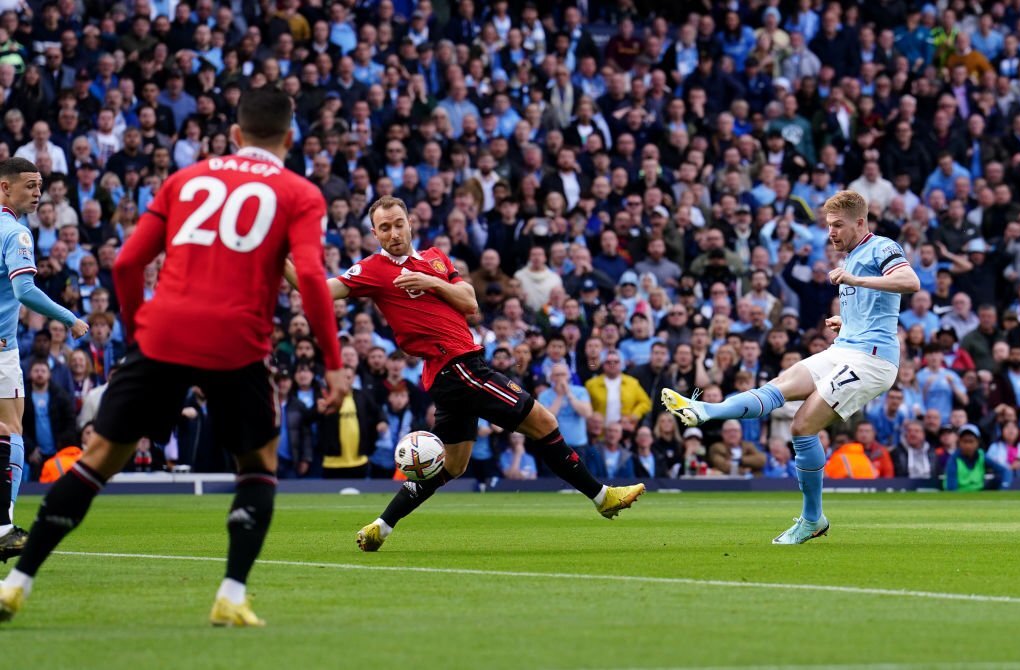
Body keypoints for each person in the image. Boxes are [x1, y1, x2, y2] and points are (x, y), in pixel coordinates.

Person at [0, 89, 345, 627]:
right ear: (291, 137)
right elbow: (312, 287)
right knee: (259, 468)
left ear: (234, 134)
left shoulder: (185, 179)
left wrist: (140, 333)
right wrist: (333, 362)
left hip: (163, 335)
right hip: (237, 343)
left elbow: (129, 263)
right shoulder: (300, 193)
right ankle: (231, 594)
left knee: (96, 463)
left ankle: (16, 585)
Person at [284, 196, 644, 553]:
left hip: (451, 373)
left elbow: (469, 301)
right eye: (384, 228)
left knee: (452, 466)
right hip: (457, 367)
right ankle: (602, 496)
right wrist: (277, 260)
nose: (393, 233)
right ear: (375, 234)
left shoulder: (434, 259)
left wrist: (431, 283)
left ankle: (382, 526)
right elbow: (314, 288)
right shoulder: (374, 269)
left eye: (397, 224)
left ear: (410, 223)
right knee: (543, 420)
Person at [662, 191, 920, 543]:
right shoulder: (854, 255)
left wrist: (855, 281)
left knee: (802, 427)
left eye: (838, 226)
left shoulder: (881, 247)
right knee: (780, 384)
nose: (831, 233)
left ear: (861, 222)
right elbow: (876, 310)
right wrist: (847, 323)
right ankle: (706, 409)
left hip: (873, 360)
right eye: (828, 226)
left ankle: (813, 519)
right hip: (846, 347)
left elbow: (910, 282)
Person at [0, 158, 88, 564]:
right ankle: (3, 526)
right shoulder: (15, 233)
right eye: (31, 185)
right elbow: (25, 292)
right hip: (1, 348)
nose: (38, 192)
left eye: (40, 185)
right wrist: (69, 317)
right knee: (10, 429)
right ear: (5, 188)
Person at [944, 424, 1012, 491]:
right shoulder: (953, 459)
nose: (968, 445)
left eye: (971, 441)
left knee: (998, 479)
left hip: (980, 493)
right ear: (959, 442)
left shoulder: (981, 455)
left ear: (977, 442)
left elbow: (1005, 471)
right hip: (961, 495)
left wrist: (1004, 487)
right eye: (965, 441)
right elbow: (951, 489)